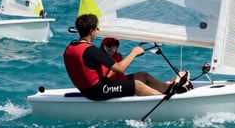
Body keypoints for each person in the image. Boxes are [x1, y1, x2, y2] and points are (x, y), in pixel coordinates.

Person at [63, 13, 191, 100]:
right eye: (97, 29)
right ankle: (164, 100)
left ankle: (167, 89)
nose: (98, 31)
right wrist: (134, 52)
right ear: (91, 30)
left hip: (88, 90)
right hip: (97, 91)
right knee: (136, 85)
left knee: (143, 76)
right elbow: (119, 68)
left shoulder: (70, 48)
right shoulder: (91, 50)